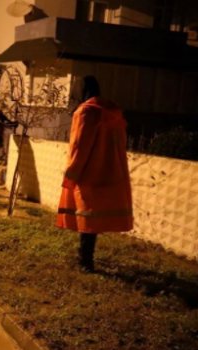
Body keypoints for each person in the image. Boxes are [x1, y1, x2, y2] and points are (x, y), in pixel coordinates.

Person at [56, 76, 133, 273]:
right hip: (113, 170)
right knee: (94, 215)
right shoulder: (114, 113)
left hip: (90, 170)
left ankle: (85, 260)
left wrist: (72, 172)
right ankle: (85, 256)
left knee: (87, 215)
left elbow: (79, 145)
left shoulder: (85, 112)